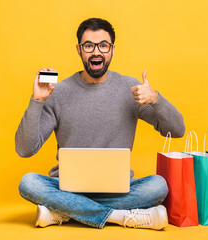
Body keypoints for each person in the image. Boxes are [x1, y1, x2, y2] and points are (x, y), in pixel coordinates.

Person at [15, 18, 185, 230]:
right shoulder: (58, 92)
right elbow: (25, 149)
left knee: (158, 186)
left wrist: (156, 99)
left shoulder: (130, 88)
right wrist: (38, 100)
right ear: (79, 50)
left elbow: (177, 130)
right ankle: (119, 216)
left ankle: (66, 212)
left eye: (103, 45)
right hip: (67, 189)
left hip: (117, 190)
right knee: (28, 182)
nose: (96, 52)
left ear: (112, 50)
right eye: (89, 46)